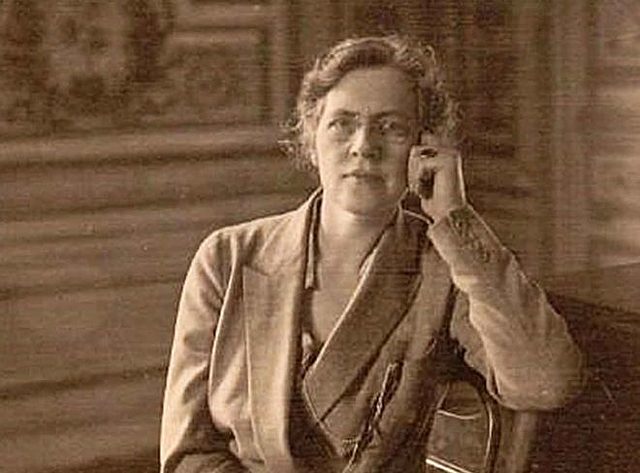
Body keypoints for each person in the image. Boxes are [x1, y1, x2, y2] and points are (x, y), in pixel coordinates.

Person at [160, 35, 584, 473]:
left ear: (424, 148)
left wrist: (454, 217)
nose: (364, 145)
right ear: (311, 139)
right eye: (342, 123)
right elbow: (188, 453)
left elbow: (547, 382)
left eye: (391, 127)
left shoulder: (445, 269)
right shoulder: (227, 258)